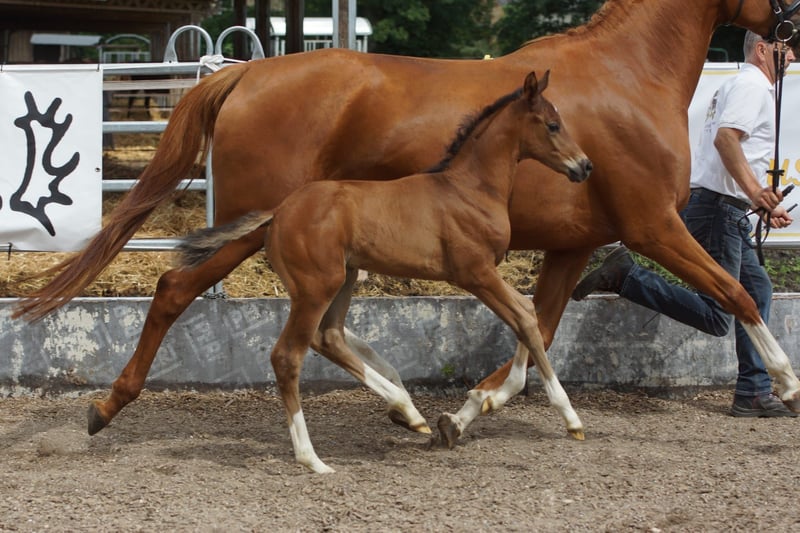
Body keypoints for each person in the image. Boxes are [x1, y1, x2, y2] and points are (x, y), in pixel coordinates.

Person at [572, 31, 797, 418]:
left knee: (757, 289)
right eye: (785, 48)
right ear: (762, 50)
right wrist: (756, 192)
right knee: (718, 314)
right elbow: (726, 141)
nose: (791, 56)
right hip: (718, 212)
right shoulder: (752, 87)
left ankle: (753, 391)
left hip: (723, 208)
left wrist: (758, 203)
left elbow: (727, 156)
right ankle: (627, 277)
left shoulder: (740, 85)